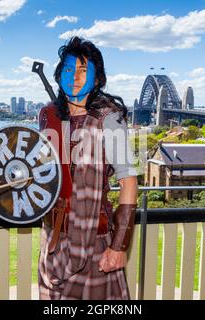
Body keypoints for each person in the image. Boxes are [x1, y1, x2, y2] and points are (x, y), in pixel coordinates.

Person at [37, 36, 138, 300]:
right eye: (69, 69)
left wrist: (119, 247)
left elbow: (128, 181)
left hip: (95, 243)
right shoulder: (48, 116)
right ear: (59, 76)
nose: (75, 76)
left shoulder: (108, 118)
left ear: (97, 80)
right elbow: (44, 175)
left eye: (84, 70)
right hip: (53, 241)